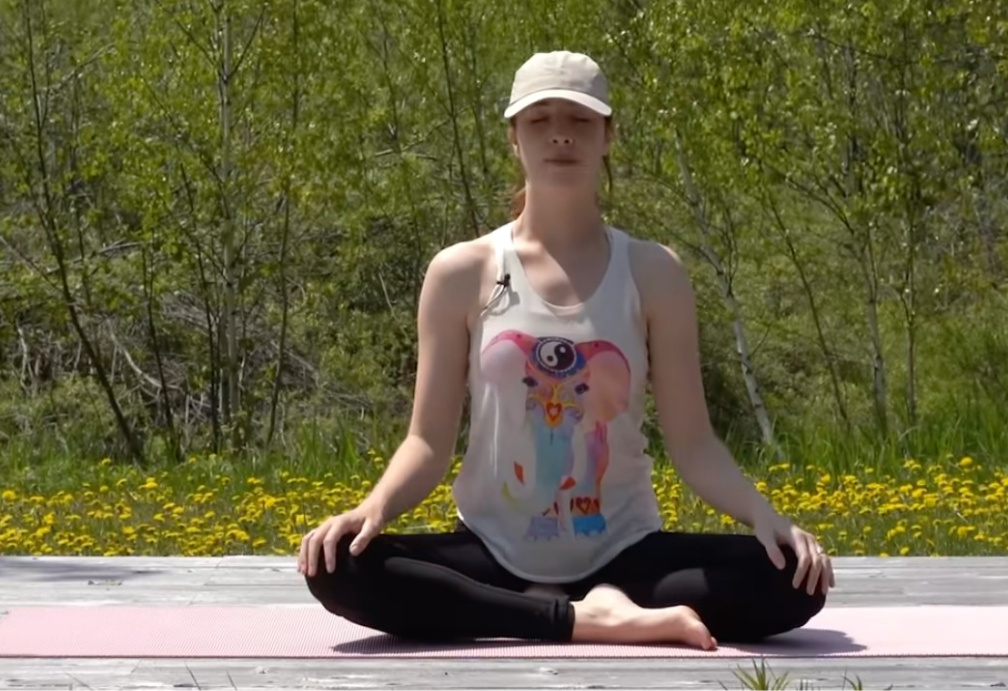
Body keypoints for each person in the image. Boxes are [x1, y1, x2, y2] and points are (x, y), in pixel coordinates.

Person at [300, 51, 832, 649]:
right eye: (540, 119)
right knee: (336, 564)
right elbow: (427, 443)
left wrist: (765, 516)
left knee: (796, 579)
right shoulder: (462, 271)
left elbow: (694, 443)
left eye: (581, 120)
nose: (560, 133)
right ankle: (579, 619)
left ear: (608, 135)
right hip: (491, 551)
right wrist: (372, 508)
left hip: (626, 552)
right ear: (513, 138)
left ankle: (564, 607)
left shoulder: (654, 272)